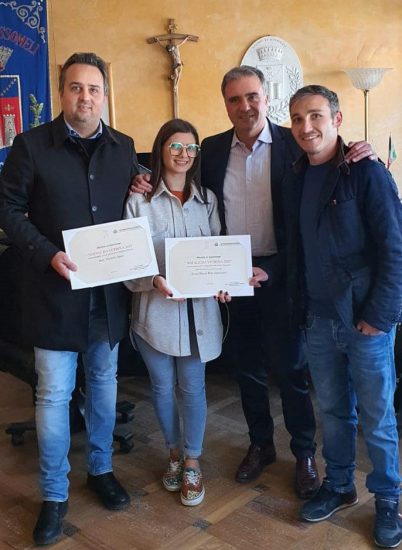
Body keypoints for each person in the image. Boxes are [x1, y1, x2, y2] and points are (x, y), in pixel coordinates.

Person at [132, 66, 375, 498]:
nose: (244, 106)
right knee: (246, 369)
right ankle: (261, 444)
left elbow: (330, 157)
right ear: (225, 105)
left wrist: (361, 149)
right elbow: (179, 178)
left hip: (281, 274)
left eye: (252, 96)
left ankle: (303, 453)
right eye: (234, 99)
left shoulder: (294, 141)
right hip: (228, 275)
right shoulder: (210, 149)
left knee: (291, 369)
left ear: (266, 98)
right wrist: (143, 176)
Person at [0, 52, 139, 545]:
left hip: (106, 297)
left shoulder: (124, 147)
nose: (85, 97)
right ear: (62, 93)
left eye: (94, 89)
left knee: (103, 384)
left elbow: (131, 200)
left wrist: (141, 182)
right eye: (76, 87)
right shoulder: (31, 145)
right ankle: (54, 494)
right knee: (54, 395)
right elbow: (8, 209)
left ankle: (100, 470)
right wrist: (47, 254)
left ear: (104, 95)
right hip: (53, 294)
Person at [287, 85, 402, 548]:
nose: (306, 127)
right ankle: (338, 485)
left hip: (364, 320)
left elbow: (394, 248)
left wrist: (380, 316)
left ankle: (388, 498)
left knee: (377, 416)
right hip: (318, 319)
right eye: (297, 118)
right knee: (334, 412)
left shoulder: (366, 171)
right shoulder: (295, 174)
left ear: (336, 119)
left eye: (315, 116)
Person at [124, 118, 231, 506]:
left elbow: (220, 252)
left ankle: (191, 462)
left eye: (190, 148)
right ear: (160, 150)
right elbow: (128, 264)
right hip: (155, 314)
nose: (183, 155)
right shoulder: (139, 201)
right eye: (175, 147)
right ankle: (172, 453)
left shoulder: (208, 200)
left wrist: (225, 283)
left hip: (199, 316)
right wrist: (154, 280)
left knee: (193, 387)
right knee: (161, 387)